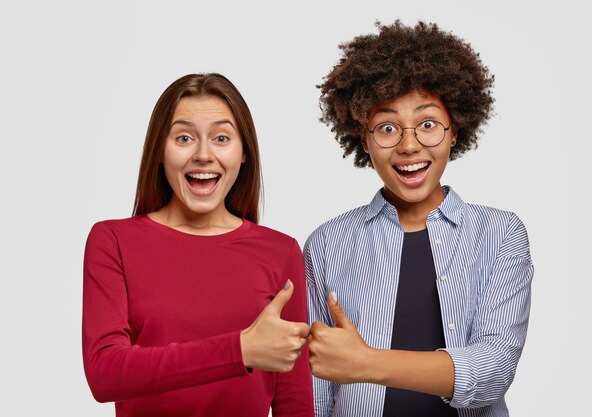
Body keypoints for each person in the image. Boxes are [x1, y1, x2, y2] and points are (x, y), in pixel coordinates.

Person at [305, 21, 533, 417]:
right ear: (364, 140)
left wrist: (365, 363)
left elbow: (493, 370)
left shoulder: (500, 235)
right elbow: (315, 391)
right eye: (388, 127)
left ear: (454, 132)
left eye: (427, 124)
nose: (409, 145)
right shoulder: (327, 243)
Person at [82, 73, 313, 417]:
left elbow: (294, 404)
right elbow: (105, 373)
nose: (204, 155)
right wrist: (240, 351)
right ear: (159, 151)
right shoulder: (113, 241)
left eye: (221, 138)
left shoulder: (280, 252)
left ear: (244, 152)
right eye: (184, 137)